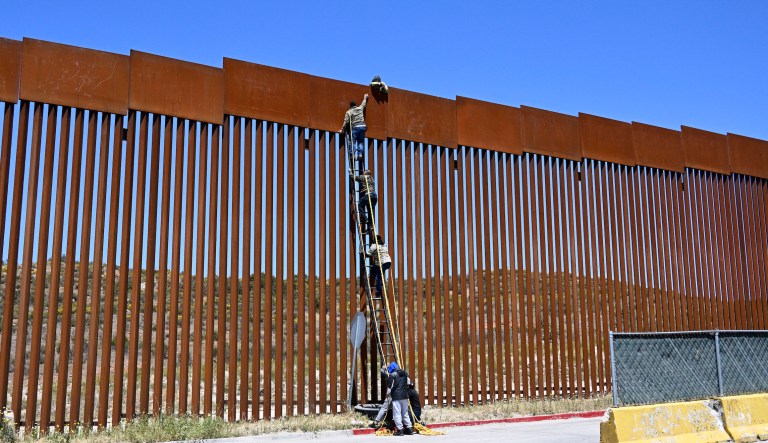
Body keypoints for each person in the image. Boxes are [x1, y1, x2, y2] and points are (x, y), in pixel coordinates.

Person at [386, 362, 413, 436]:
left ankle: (400, 430)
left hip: (396, 396)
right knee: (405, 413)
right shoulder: (405, 373)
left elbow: (389, 385)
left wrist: (388, 379)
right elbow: (408, 382)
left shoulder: (392, 374)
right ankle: (409, 428)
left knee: (397, 413)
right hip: (404, 396)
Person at [340, 93, 369, 160]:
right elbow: (363, 104)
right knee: (360, 141)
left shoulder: (349, 112)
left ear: (350, 106)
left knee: (353, 141)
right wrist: (365, 97)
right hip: (362, 126)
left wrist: (342, 129)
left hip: (355, 127)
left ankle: (352, 154)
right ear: (355, 105)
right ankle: (360, 154)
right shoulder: (360, 108)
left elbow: (346, 121)